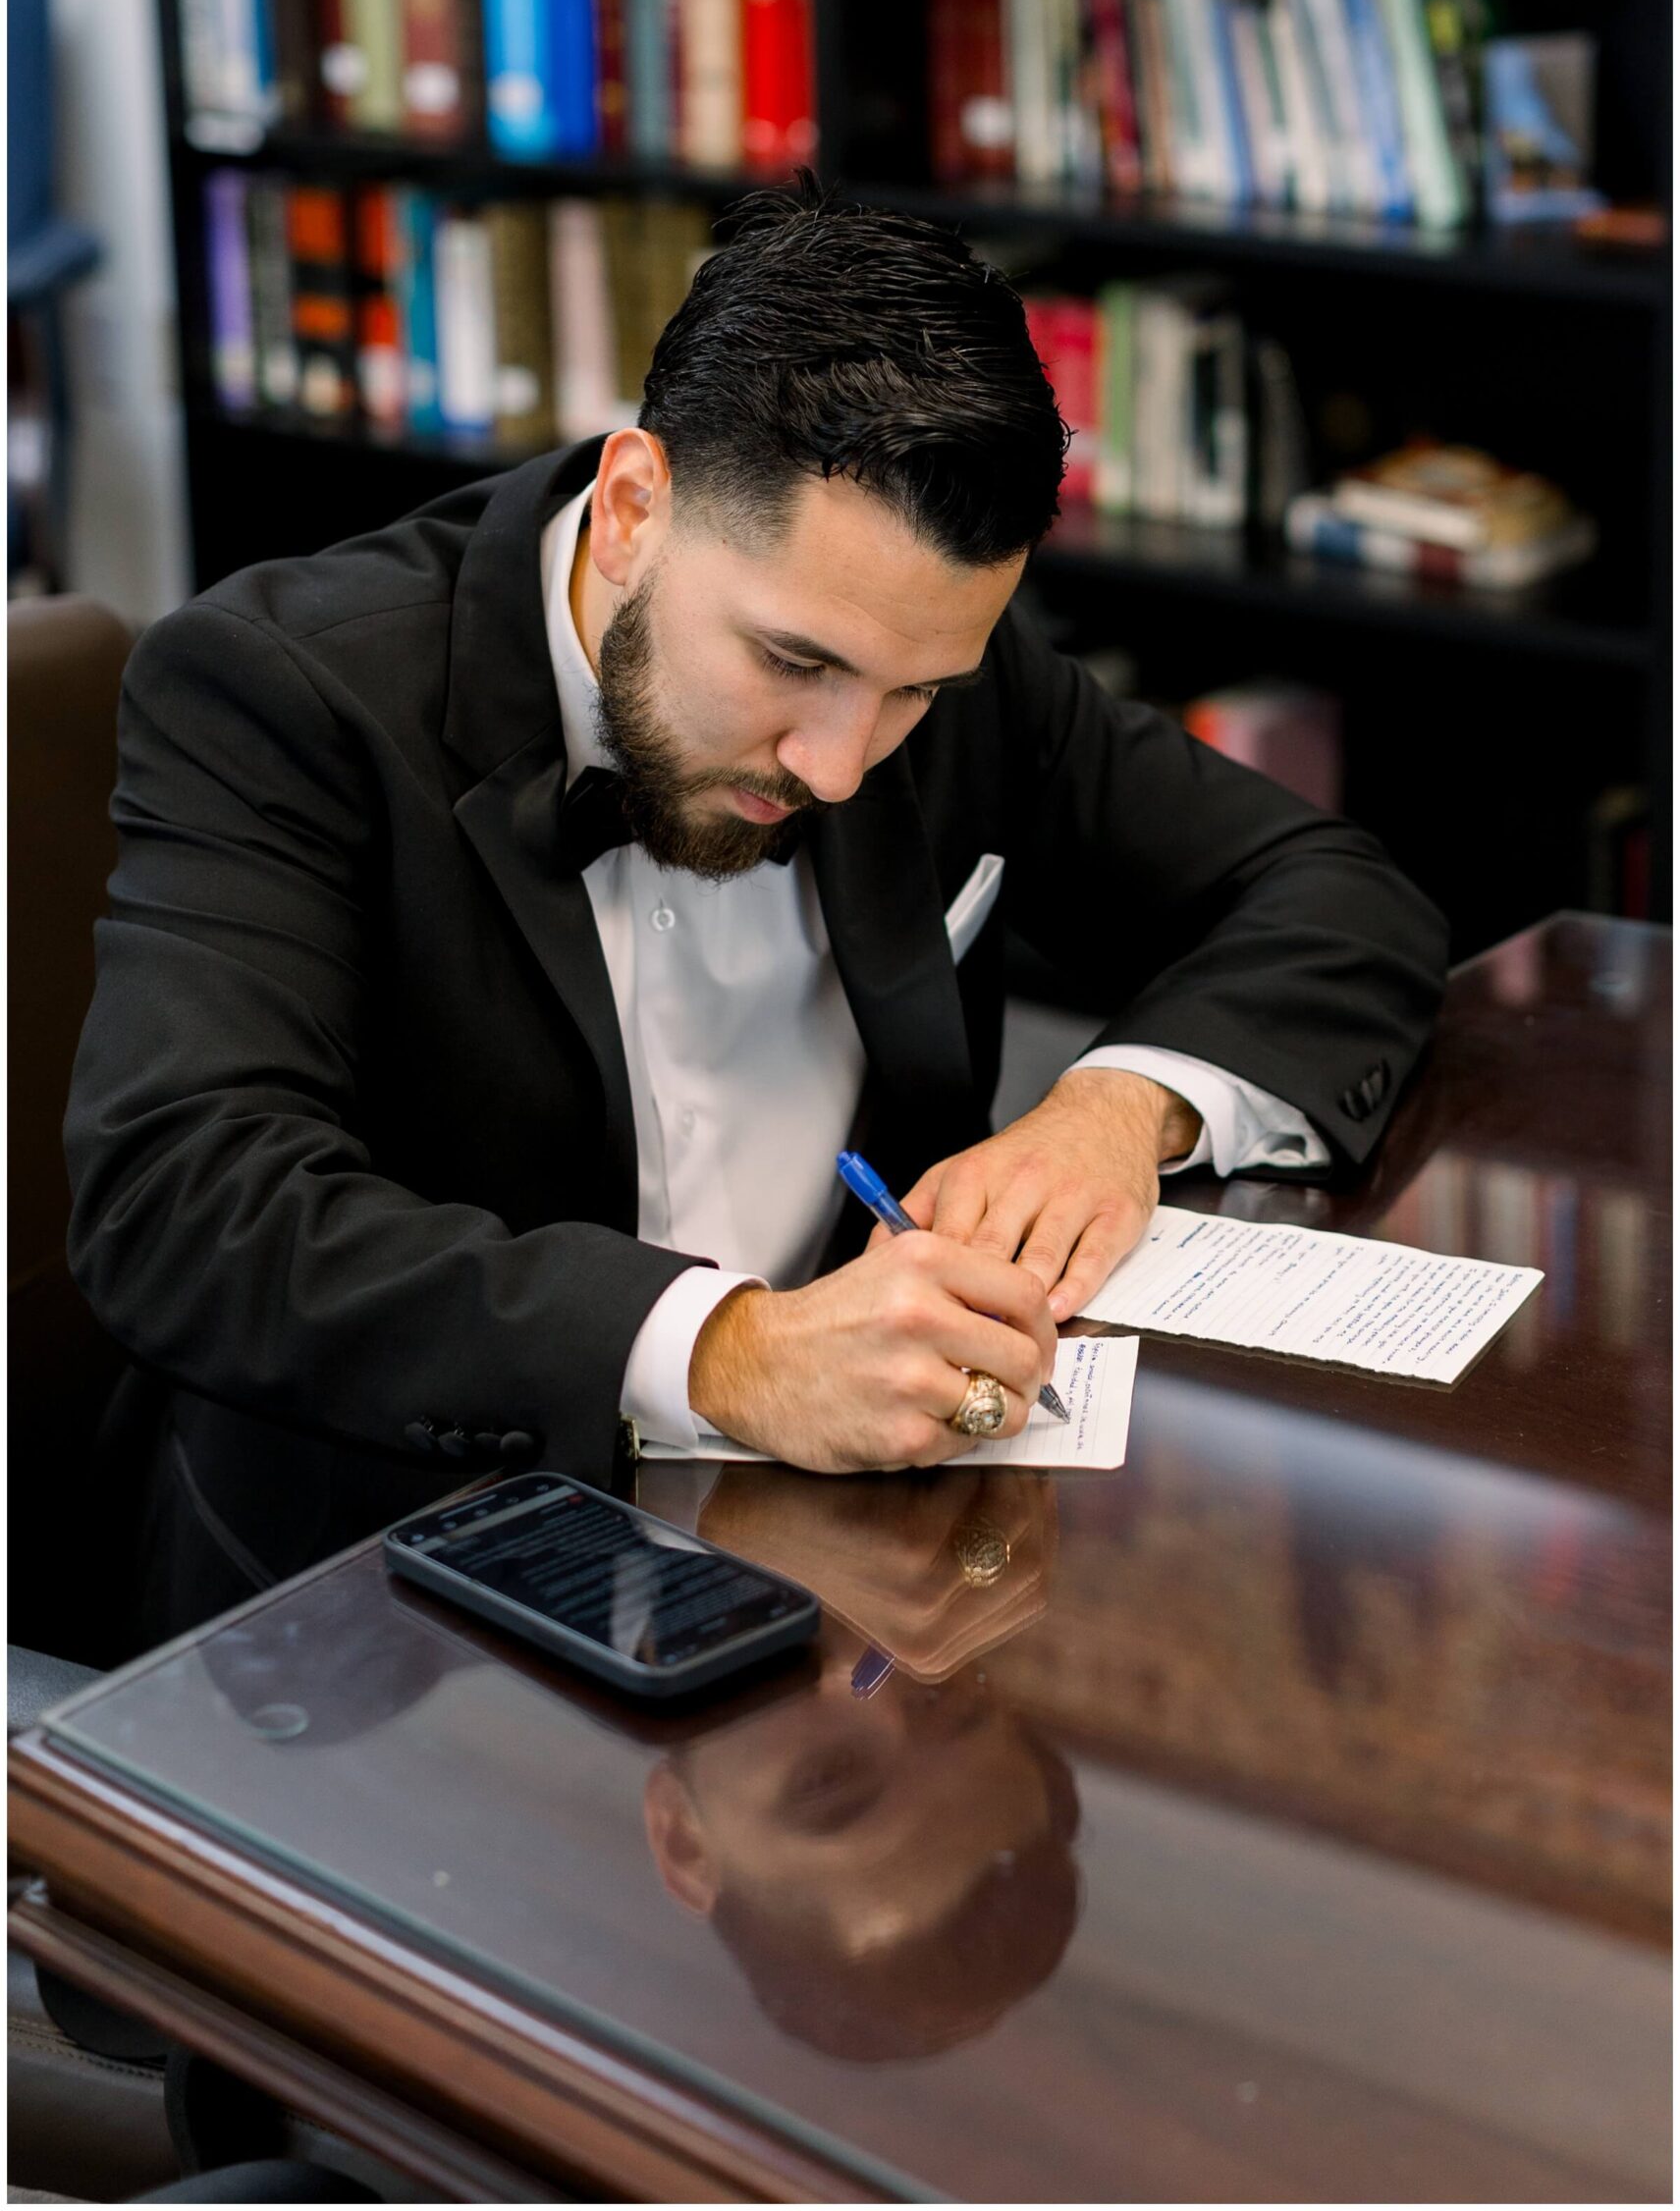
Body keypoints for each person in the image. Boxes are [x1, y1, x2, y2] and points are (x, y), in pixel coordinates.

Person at [66, 177, 1448, 1650]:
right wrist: (723, 1350)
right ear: (634, 506)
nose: (845, 763)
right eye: (793, 662)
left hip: (846, 1552)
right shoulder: (282, 694)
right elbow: (185, 1203)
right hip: (390, 1602)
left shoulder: (923, 650)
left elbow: (1333, 892)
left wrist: (1113, 1109)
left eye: (914, 694)